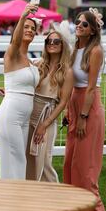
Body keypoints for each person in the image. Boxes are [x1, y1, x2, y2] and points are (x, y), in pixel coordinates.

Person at [63, 8, 106, 211]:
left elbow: (90, 88)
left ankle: (93, 209)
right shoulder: (74, 49)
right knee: (70, 158)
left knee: (85, 161)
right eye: (77, 22)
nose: (79, 26)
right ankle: (73, 205)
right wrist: (68, 110)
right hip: (73, 105)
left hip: (88, 107)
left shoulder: (95, 51)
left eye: (84, 24)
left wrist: (83, 117)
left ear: (92, 30)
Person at [0, 3, 40, 179]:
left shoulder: (30, 61)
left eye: (33, 28)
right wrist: (23, 16)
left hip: (23, 117)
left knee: (12, 161)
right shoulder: (12, 54)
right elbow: (15, 41)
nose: (29, 30)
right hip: (10, 115)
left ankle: (8, 200)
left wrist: (7, 91)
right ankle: (17, 199)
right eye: (26, 27)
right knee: (18, 159)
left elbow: (21, 87)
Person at [26, 21, 74, 182]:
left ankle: (57, 198)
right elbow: (25, 87)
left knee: (44, 162)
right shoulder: (38, 64)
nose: (52, 44)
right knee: (29, 160)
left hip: (47, 118)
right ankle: (32, 197)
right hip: (29, 116)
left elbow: (63, 103)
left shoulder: (67, 71)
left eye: (56, 41)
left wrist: (44, 125)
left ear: (63, 45)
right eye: (49, 41)